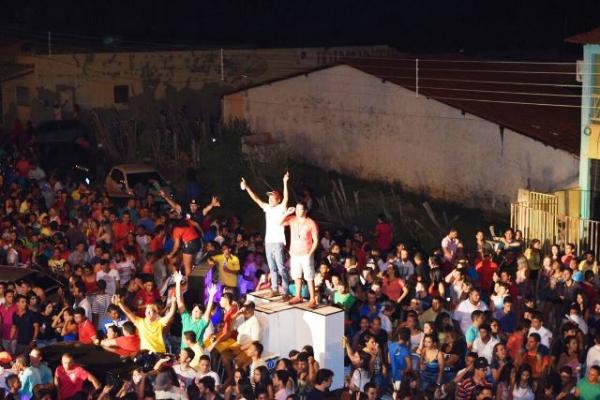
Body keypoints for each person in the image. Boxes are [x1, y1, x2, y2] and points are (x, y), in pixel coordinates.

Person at [240, 173, 291, 298]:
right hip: (268, 242)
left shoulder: (281, 208)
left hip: (278, 241)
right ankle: (274, 288)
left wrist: (285, 182)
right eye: (269, 197)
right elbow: (257, 199)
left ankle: (285, 290)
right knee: (272, 267)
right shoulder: (268, 208)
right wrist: (247, 188)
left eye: (272, 197)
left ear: (278, 199)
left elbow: (286, 199)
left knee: (281, 266)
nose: (269, 199)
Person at [281, 202, 319, 308]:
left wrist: (310, 253)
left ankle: (312, 299)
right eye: (296, 209)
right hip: (294, 253)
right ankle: (298, 296)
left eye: (300, 209)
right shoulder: (292, 219)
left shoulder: (311, 223)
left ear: (305, 210)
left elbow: (315, 240)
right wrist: (287, 213)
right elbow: (278, 223)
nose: (298, 211)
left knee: (309, 276)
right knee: (296, 275)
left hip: (306, 253)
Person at [174, 271, 217, 349]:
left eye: (198, 312)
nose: (195, 312)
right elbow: (179, 301)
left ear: (201, 315)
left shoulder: (202, 323)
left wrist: (211, 296)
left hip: (196, 353)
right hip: (184, 351)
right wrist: (177, 282)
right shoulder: (186, 318)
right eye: (195, 310)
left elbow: (207, 312)